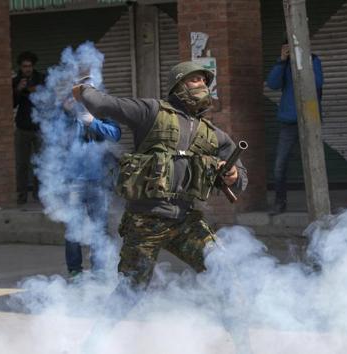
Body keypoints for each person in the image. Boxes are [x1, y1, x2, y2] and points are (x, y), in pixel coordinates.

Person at [71, 61, 247, 289]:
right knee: (130, 291)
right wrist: (83, 89)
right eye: (195, 79)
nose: (202, 85)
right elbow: (104, 104)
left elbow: (240, 175)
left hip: (185, 220)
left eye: (205, 81)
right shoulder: (151, 111)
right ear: (178, 85)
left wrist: (233, 175)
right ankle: (100, 326)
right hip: (145, 220)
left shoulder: (212, 134)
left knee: (224, 272)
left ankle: (236, 324)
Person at [62, 100, 121, 277]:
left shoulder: (102, 115)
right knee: (73, 228)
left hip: (99, 182)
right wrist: (70, 115)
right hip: (74, 182)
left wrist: (92, 122)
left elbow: (115, 134)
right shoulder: (67, 117)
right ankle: (74, 271)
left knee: (99, 228)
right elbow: (60, 140)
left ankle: (99, 270)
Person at [265, 40, 323, 214]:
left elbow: (317, 84)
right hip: (288, 120)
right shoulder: (284, 64)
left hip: (310, 120)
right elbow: (273, 84)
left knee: (315, 164)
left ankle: (318, 203)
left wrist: (303, 61)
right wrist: (282, 61)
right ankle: (280, 202)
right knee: (279, 165)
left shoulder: (313, 60)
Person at [13, 51, 46, 204]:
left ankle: (38, 194)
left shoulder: (41, 79)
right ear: (21, 67)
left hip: (39, 127)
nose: (27, 69)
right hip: (22, 128)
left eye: (30, 66)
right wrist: (18, 90)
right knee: (21, 164)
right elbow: (12, 104)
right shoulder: (16, 81)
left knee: (40, 163)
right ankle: (22, 195)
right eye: (25, 66)